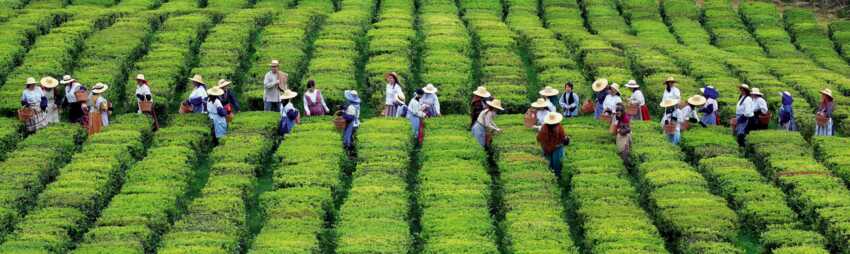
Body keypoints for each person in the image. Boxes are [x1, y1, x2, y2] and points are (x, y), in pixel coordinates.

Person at [537, 112, 568, 177]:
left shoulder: (560, 127)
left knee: (557, 164)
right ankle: (550, 178)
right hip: (547, 148)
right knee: (548, 164)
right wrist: (545, 149)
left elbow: (563, 139)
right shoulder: (544, 129)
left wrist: (564, 141)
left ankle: (558, 178)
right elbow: (541, 140)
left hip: (557, 147)